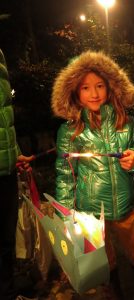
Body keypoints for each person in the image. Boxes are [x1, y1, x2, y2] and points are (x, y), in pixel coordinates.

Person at [51, 51, 134, 299]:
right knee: (104, 258)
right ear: (75, 92)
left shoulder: (126, 123)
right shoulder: (70, 132)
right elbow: (65, 174)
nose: (94, 93)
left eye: (99, 86)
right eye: (85, 88)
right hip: (91, 211)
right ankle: (112, 289)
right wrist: (65, 213)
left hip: (125, 206)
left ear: (110, 87)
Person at [0, 48, 34, 300]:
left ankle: (8, 289)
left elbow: (3, 118)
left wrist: (13, 152)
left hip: (6, 169)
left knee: (6, 237)